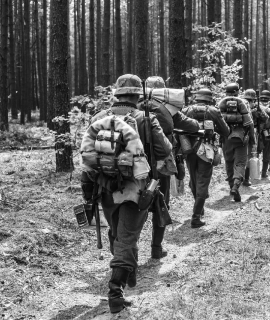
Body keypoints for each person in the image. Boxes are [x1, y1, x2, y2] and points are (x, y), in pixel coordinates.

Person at [80, 74, 172, 313]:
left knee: (117, 233)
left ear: (117, 94)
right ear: (137, 96)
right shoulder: (144, 118)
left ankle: (126, 270)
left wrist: (88, 192)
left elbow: (86, 157)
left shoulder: (98, 118)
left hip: (105, 188)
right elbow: (165, 149)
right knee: (127, 237)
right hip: (136, 190)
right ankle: (115, 289)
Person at [138, 76, 200, 259]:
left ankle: (129, 247)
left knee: (134, 203)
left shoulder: (135, 105)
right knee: (160, 202)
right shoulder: (167, 108)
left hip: (134, 163)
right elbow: (192, 125)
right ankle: (156, 248)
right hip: (160, 164)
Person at [182, 88, 230, 227]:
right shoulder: (213, 111)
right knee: (202, 182)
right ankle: (196, 217)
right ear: (210, 98)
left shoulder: (186, 110)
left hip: (189, 149)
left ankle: (199, 207)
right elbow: (225, 131)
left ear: (196, 97)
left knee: (194, 180)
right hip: (206, 150)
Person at [219, 83, 256, 202]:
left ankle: (231, 186)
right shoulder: (243, 103)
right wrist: (252, 140)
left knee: (229, 162)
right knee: (240, 163)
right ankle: (236, 185)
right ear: (237, 91)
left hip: (226, 138)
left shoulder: (221, 102)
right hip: (241, 139)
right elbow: (250, 123)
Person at [241, 89, 268, 186]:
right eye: (247, 100)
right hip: (243, 134)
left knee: (251, 156)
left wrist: (259, 111)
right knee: (244, 157)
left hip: (253, 133)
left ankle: (246, 178)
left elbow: (265, 118)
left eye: (250, 100)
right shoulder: (240, 106)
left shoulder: (258, 108)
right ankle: (241, 178)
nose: (249, 102)